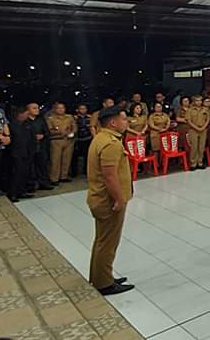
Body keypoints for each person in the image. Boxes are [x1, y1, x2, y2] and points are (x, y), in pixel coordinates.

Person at [86, 105, 133, 296]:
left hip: (99, 197)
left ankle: (100, 276)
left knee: (102, 240)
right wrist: (120, 200)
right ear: (113, 122)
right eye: (123, 119)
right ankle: (104, 284)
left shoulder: (101, 137)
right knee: (107, 243)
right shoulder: (111, 143)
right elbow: (110, 176)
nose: (126, 122)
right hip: (108, 201)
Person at [46, 102, 77, 184]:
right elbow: (49, 130)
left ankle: (64, 176)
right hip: (56, 141)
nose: (61, 110)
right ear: (55, 109)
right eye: (58, 108)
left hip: (69, 140)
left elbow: (74, 127)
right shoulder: (50, 119)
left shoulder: (69, 117)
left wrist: (72, 133)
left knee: (67, 159)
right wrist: (60, 132)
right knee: (55, 160)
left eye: (62, 108)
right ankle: (54, 178)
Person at [185, 95, 210, 169]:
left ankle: (200, 162)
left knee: (201, 146)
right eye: (197, 100)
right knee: (194, 147)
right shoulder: (190, 110)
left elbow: (208, 119)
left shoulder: (205, 110)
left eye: (200, 100)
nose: (199, 102)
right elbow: (188, 121)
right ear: (194, 101)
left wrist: (203, 127)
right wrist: (196, 128)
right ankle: (193, 163)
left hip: (203, 129)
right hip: (193, 130)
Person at [73, 103, 92, 178]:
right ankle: (74, 172)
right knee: (74, 157)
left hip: (87, 138)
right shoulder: (74, 118)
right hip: (77, 139)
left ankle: (86, 171)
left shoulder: (89, 117)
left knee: (87, 156)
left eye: (84, 109)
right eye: (81, 108)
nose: (83, 110)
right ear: (77, 110)